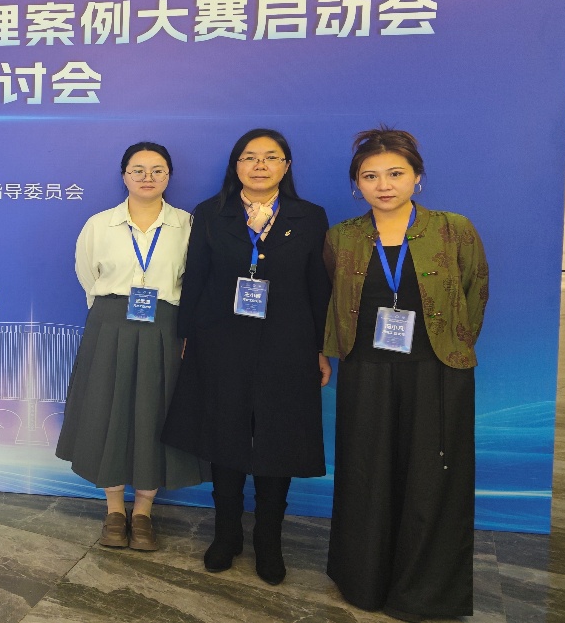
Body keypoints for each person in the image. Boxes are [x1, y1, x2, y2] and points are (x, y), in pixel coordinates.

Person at [324, 127, 488, 622]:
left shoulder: (453, 229)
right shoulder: (343, 236)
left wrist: (453, 345)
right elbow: (331, 299)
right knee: (366, 476)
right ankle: (364, 582)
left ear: (418, 177)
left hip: (435, 371)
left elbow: (475, 290)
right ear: (357, 184)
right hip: (366, 372)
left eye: (395, 173)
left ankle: (425, 592)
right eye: (370, 176)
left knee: (432, 481)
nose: (384, 185)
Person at [161, 129, 331, 585]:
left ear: (286, 166)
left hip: (288, 343)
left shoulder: (310, 216)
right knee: (225, 431)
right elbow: (196, 277)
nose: (259, 165)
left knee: (280, 435)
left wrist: (320, 348)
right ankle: (227, 533)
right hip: (221, 341)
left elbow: (318, 286)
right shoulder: (210, 213)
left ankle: (269, 540)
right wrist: (187, 336)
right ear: (235, 165)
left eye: (271, 157)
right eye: (249, 157)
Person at [56, 141, 208, 551]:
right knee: (107, 411)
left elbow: (194, 282)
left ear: (169, 176)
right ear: (124, 175)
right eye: (137, 169)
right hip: (110, 324)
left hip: (165, 326)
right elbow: (87, 275)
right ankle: (113, 511)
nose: (147, 177)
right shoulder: (100, 224)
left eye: (157, 170)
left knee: (154, 414)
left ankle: (142, 512)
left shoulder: (187, 225)